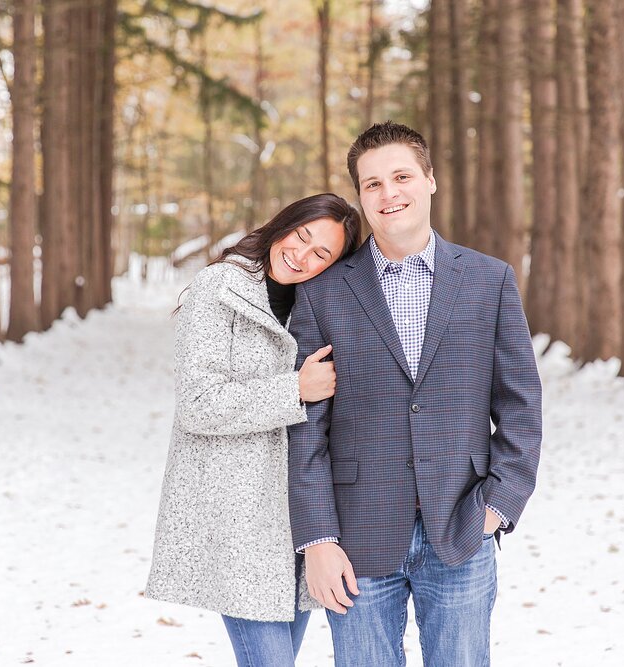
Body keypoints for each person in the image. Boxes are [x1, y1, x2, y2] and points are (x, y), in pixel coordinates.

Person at [288, 121, 543, 666]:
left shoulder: (488, 280)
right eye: (372, 183)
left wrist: (499, 505)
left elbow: (520, 404)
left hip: (461, 527)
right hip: (355, 537)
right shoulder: (322, 292)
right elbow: (306, 430)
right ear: (361, 195)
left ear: (430, 180)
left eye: (401, 176)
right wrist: (318, 539)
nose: (388, 193)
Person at [145, 193, 361, 667]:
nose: (302, 255)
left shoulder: (319, 303)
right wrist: (295, 389)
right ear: (284, 224)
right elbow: (197, 404)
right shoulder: (220, 288)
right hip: (238, 519)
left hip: (298, 517)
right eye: (301, 237)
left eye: (321, 253)